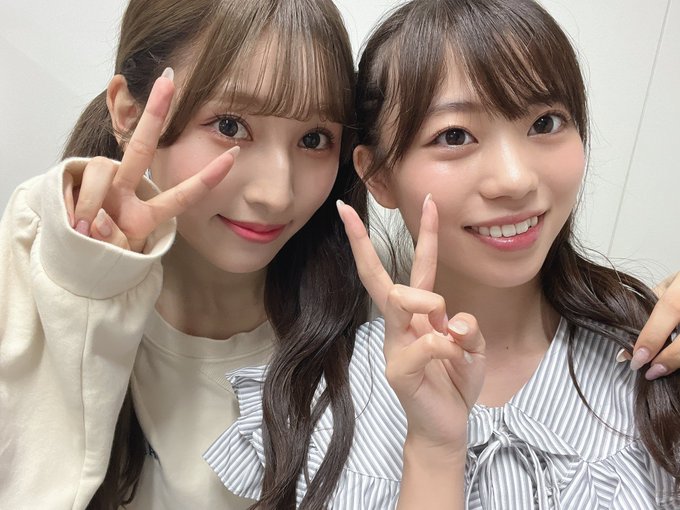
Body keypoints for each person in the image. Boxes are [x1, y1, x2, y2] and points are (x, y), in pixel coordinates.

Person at [205, 0, 680, 508]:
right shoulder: (312, 407)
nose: (515, 179)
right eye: (454, 136)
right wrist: (434, 450)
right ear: (378, 175)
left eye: (545, 123)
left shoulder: (657, 358)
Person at [0, 0, 368, 508]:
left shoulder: (367, 316)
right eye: (230, 126)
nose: (276, 193)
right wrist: (84, 288)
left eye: (314, 138)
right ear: (129, 114)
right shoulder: (36, 255)